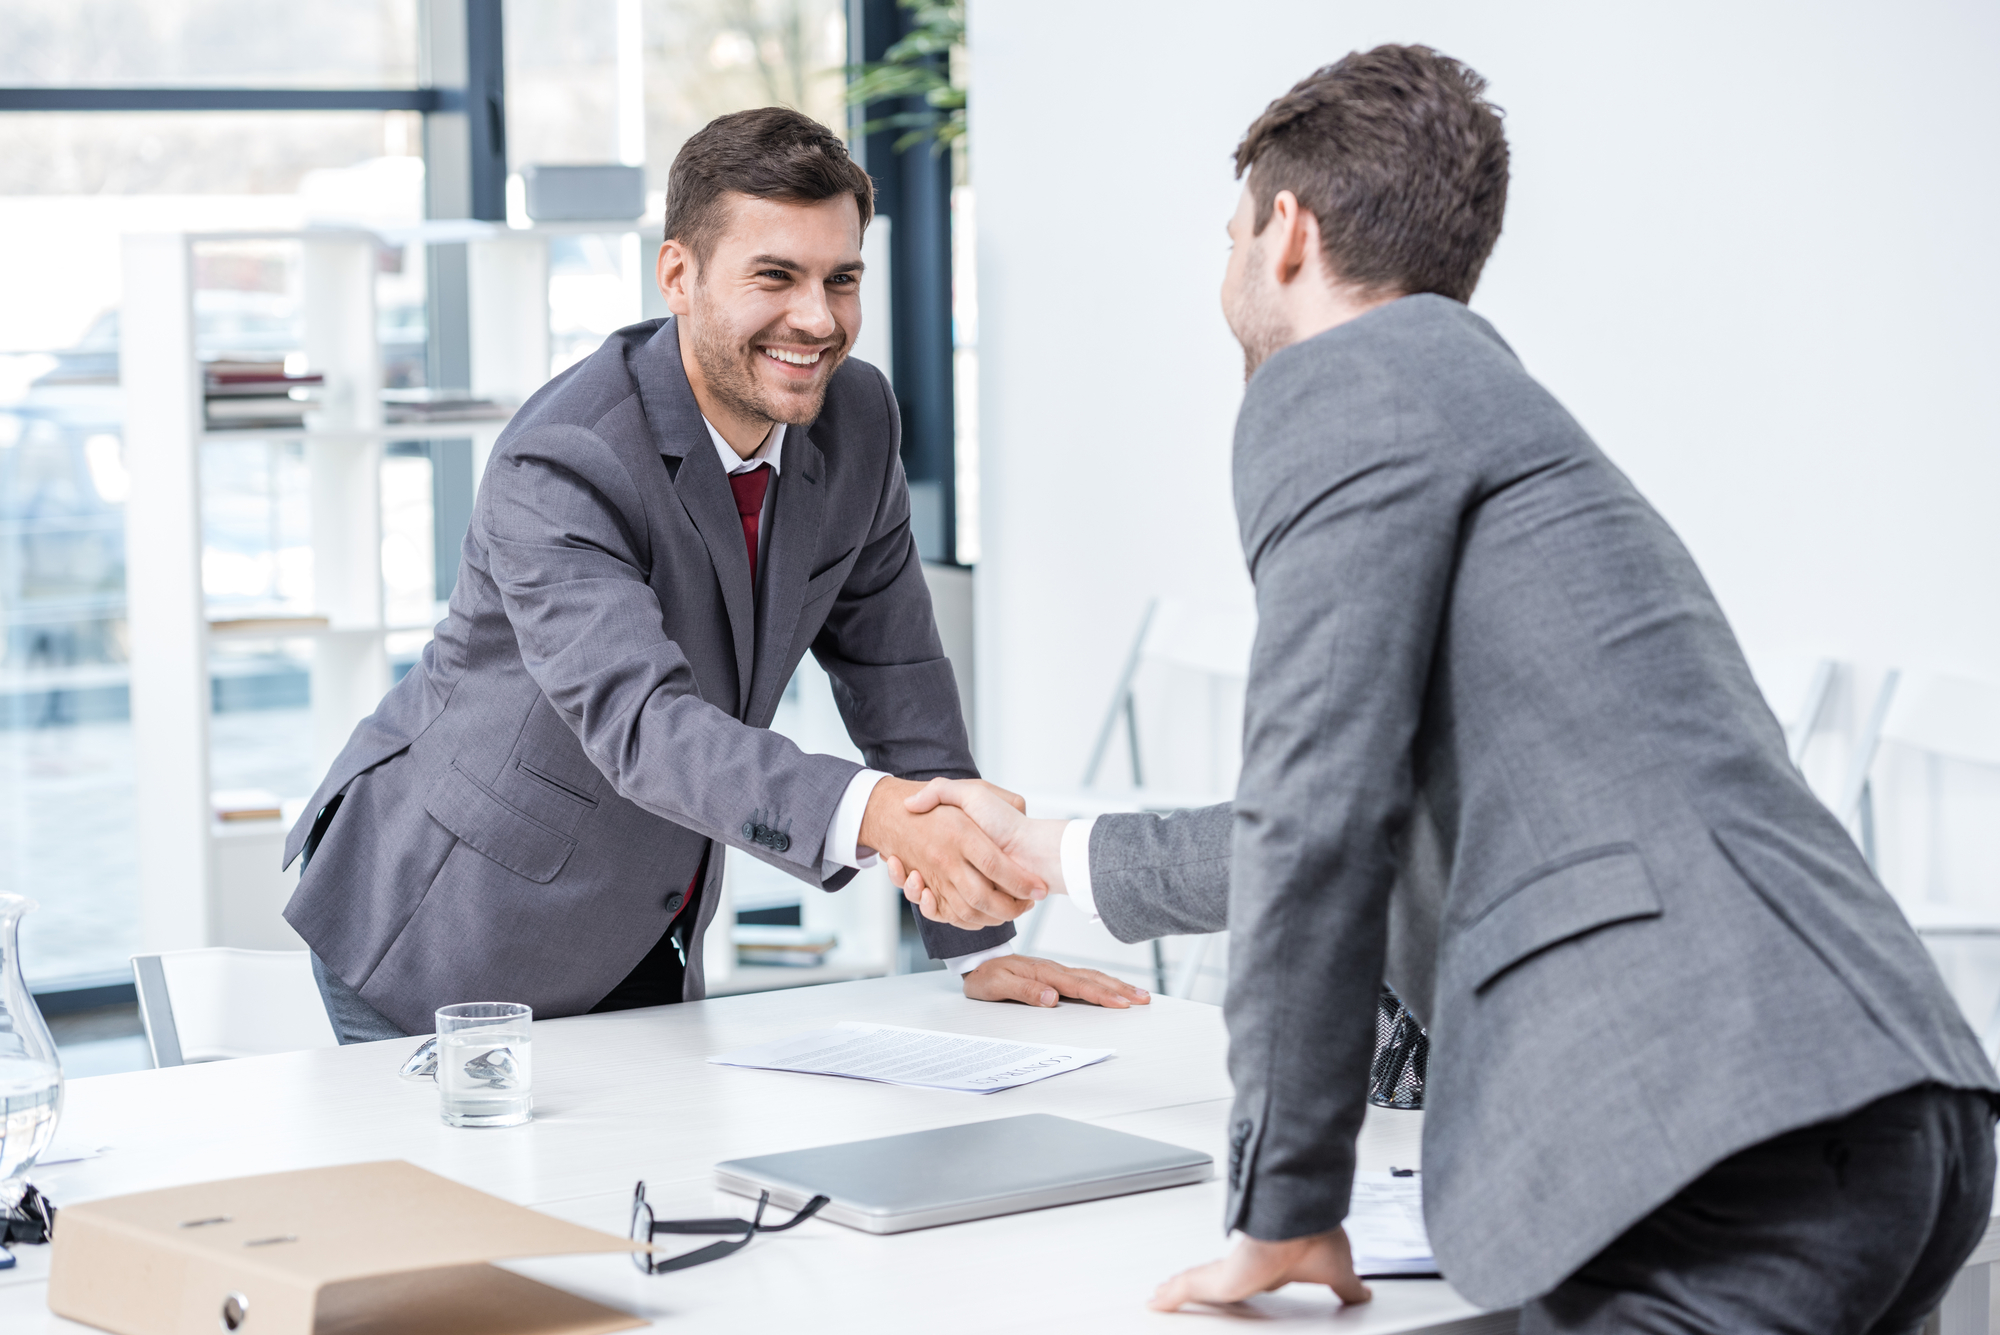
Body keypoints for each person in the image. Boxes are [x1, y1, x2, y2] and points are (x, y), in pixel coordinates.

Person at [890, 47, 2000, 1333]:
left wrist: (1284, 1205)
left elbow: (1320, 818)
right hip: (1880, 1099)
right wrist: (1051, 850)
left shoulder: (1333, 388)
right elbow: (1376, 809)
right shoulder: (1489, 409)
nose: (1224, 272)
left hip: (1706, 1141)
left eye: (1228, 235)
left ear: (1285, 232)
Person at [281, 107, 1143, 1043]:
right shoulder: (566, 458)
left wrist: (974, 939)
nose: (817, 319)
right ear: (679, 276)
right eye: (775, 276)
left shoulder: (859, 418)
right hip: (446, 925)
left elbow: (896, 675)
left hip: (643, 917)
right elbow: (646, 724)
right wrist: (885, 816)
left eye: (841, 279)